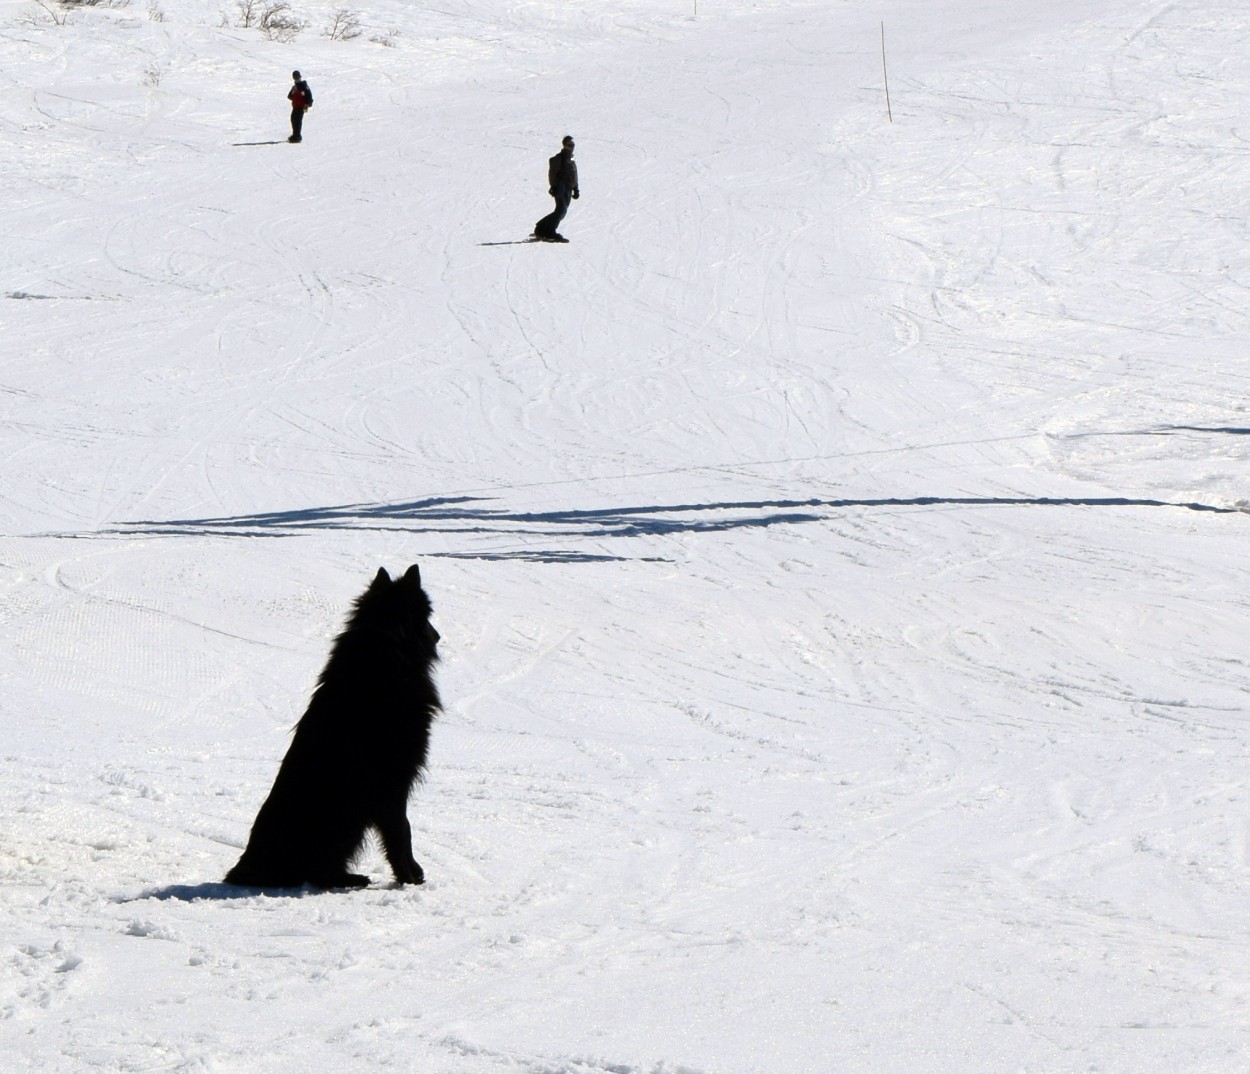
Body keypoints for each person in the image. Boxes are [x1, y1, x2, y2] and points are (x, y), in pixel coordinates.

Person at [533, 135, 579, 242]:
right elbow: (552, 173)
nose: (571, 147)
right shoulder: (559, 158)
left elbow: (574, 173)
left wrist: (576, 188)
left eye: (573, 145)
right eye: (569, 145)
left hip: (568, 187)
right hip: (561, 187)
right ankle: (549, 232)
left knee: (561, 211)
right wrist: (553, 186)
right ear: (564, 146)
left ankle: (541, 228)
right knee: (561, 210)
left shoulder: (571, 158)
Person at [287, 70, 313, 143]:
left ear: (300, 77)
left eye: (297, 77)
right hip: (295, 106)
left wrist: (308, 104)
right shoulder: (295, 87)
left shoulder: (304, 86)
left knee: (297, 120)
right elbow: (289, 96)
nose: (296, 79)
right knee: (293, 119)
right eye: (295, 77)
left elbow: (309, 96)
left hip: (301, 107)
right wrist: (293, 92)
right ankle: (295, 134)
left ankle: (297, 136)